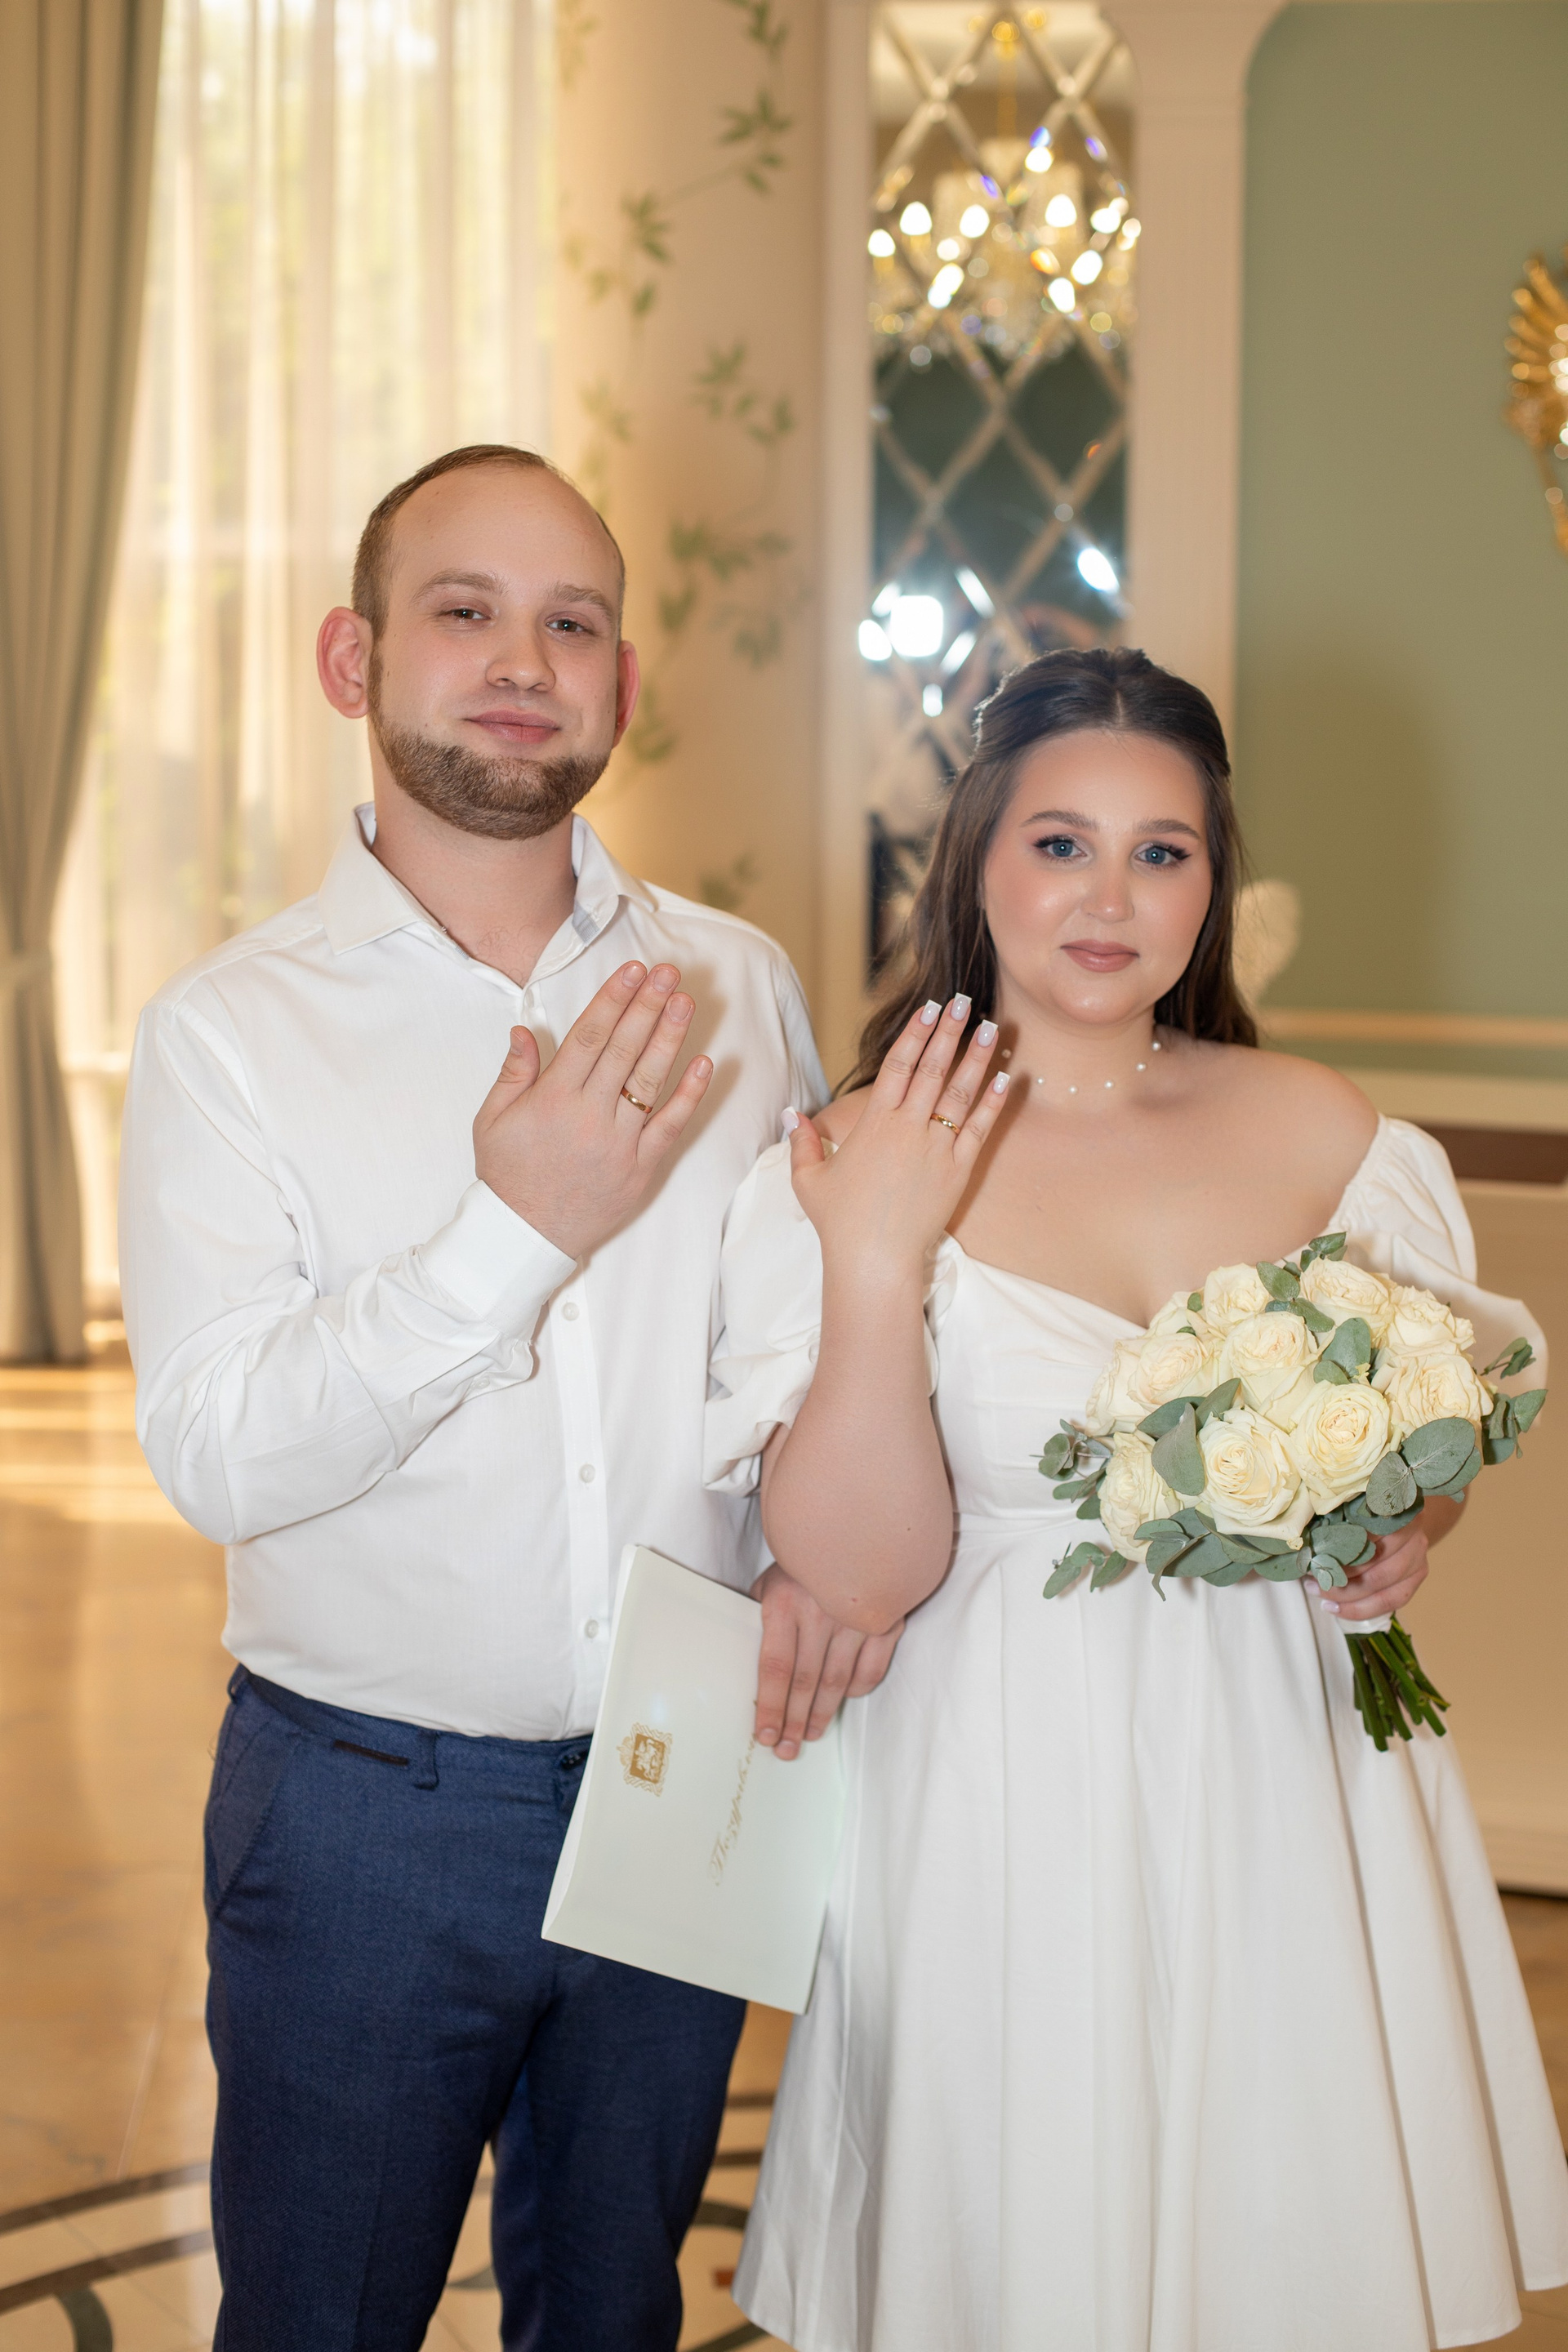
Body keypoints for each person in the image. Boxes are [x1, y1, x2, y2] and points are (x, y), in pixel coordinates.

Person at [118, 443, 896, 2352]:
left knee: (617, 2311)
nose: (524, 661)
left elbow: (797, 1346)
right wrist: (512, 1234)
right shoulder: (233, 1032)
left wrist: (820, 1559)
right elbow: (217, 1455)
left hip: (692, 1763)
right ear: (353, 659)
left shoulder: (736, 986)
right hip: (369, 1813)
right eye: (464, 611)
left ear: (624, 682)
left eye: (572, 623)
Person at [706, 646, 1568, 2352]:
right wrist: (876, 1260)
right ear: (976, 858)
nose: (1111, 897)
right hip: (993, 1779)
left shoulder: (1330, 1132)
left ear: (1211, 883)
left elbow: (1432, 1435)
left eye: (1161, 852)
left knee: (1282, 2226)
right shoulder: (851, 1155)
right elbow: (858, 1575)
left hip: (1290, 1767)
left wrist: (1410, 1526)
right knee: (1019, 2236)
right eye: (1061, 844)